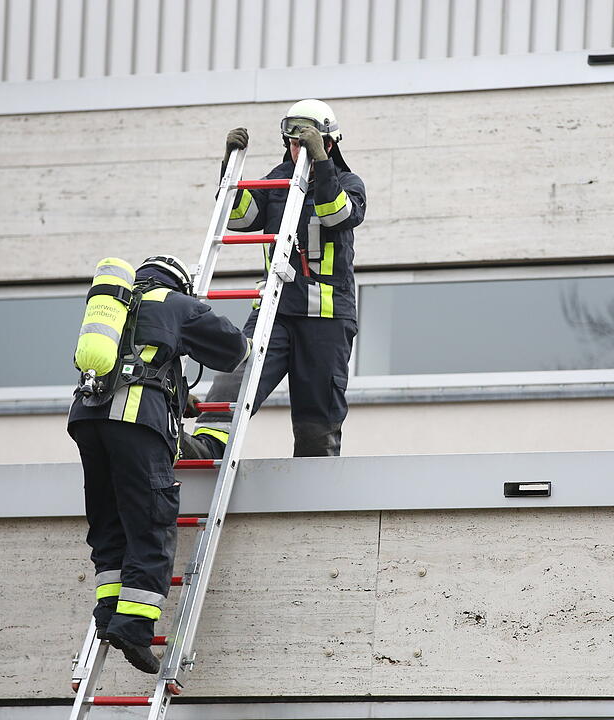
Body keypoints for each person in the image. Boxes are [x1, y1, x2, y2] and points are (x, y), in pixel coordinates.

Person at [68, 255, 249, 674]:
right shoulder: (176, 302)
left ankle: (109, 612)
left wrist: (179, 397)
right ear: (180, 283)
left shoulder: (114, 305)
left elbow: (135, 361)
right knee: (151, 521)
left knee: (109, 521)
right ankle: (133, 629)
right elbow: (232, 349)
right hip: (136, 422)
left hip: (88, 419)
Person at [181, 99, 366, 460]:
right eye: (294, 143)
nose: (299, 150)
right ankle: (205, 447)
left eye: (307, 142)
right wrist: (228, 169)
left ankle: (315, 481)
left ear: (329, 143)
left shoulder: (348, 183)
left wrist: (323, 167)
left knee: (318, 412)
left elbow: (336, 215)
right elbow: (237, 218)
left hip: (324, 319)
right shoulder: (276, 180)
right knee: (235, 375)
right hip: (275, 310)